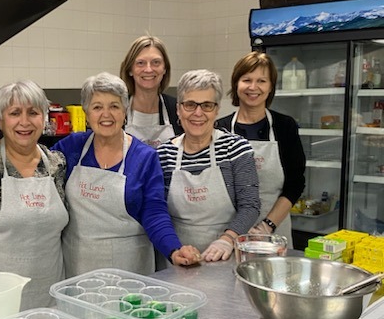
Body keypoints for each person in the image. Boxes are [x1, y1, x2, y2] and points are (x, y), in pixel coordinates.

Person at [53, 72, 200, 276]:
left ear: (125, 111)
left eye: (114, 106)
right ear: (87, 113)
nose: (106, 114)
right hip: (78, 268)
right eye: (97, 107)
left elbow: (154, 211)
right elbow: (33, 162)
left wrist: (174, 249)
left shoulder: (144, 157)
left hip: (130, 270)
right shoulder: (70, 148)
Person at [0, 81, 69, 309]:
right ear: (0, 120)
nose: (24, 122)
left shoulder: (57, 164)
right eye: (15, 113)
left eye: (33, 113)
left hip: (50, 303)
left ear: (44, 118)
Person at [157, 69, 261, 261]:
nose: (198, 113)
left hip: (226, 257)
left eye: (206, 105)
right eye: (190, 105)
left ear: (217, 110)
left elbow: (250, 206)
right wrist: (174, 249)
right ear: (178, 109)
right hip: (178, 257)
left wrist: (227, 239)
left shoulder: (236, 148)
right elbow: (158, 211)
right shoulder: (164, 154)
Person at [216, 52, 306, 242]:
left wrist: (267, 225)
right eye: (246, 79)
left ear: (271, 86)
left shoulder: (284, 126)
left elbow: (295, 184)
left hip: (275, 231)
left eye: (261, 81)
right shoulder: (220, 129)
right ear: (236, 84)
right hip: (229, 232)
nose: (253, 87)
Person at [119, 35, 183, 148]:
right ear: (130, 70)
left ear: (164, 69)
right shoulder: (117, 110)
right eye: (140, 63)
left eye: (156, 62)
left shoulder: (178, 110)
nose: (148, 69)